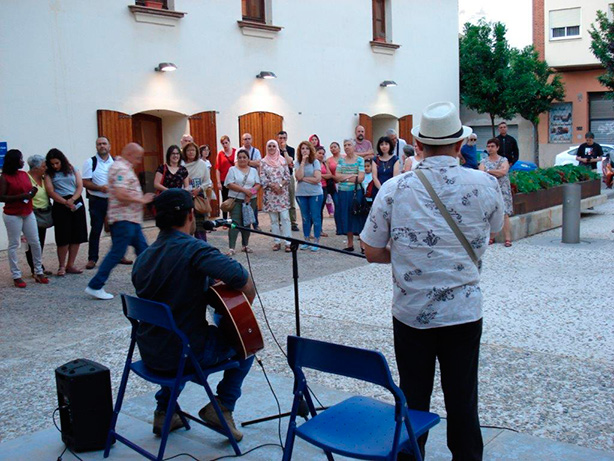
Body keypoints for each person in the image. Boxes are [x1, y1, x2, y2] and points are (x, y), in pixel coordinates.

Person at [361, 101, 504, 461]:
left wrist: (407, 254)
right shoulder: (486, 184)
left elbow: (371, 250)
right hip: (463, 312)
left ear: (419, 146)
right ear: (460, 144)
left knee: (413, 396)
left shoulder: (394, 188)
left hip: (412, 312)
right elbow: (496, 231)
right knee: (463, 397)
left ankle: (411, 455)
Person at [132, 188, 255, 441]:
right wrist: (238, 317)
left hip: (151, 352)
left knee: (176, 334)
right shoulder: (195, 250)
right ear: (191, 215)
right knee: (248, 342)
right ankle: (223, 405)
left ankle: (165, 411)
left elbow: (173, 287)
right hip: (185, 355)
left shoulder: (143, 258)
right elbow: (242, 280)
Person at [85, 143, 155, 300]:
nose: (139, 161)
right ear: (129, 154)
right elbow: (120, 193)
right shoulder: (120, 169)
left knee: (143, 251)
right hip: (124, 219)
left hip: (131, 220)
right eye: (137, 157)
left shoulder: (124, 168)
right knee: (117, 253)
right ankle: (95, 285)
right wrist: (142, 199)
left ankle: (151, 282)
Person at [0, 149, 49, 288]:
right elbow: (1, 197)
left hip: (28, 212)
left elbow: (27, 188)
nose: (23, 161)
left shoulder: (23, 174)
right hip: (12, 214)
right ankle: (16, 275)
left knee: (35, 242)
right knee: (14, 244)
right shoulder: (4, 177)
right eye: (20, 159)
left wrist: (31, 192)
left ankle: (38, 271)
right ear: (14, 161)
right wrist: (20, 197)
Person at [82, 137, 128, 271]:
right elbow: (85, 182)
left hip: (114, 200)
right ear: (96, 147)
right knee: (96, 229)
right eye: (99, 144)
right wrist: (100, 188)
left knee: (117, 228)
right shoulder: (90, 162)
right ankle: (92, 258)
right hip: (97, 200)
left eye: (104, 143)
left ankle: (119, 255)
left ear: (109, 146)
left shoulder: (116, 162)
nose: (102, 146)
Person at [45, 148, 88, 276]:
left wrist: (73, 199)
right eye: (52, 164)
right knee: (63, 236)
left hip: (75, 200)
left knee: (76, 235)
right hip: (60, 203)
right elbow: (50, 191)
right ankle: (61, 266)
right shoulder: (49, 174)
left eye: (57, 163)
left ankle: (71, 264)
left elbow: (79, 185)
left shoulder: (72, 169)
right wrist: (65, 202)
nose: (55, 166)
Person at [224, 149, 260, 255]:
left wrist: (250, 194)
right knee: (234, 223)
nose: (242, 159)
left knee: (247, 222)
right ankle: (231, 247)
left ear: (248, 159)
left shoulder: (253, 171)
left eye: (244, 157)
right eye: (240, 157)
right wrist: (245, 191)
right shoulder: (232, 170)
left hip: (250, 200)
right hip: (236, 200)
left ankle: (245, 245)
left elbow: (258, 184)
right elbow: (229, 184)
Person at [480, 138, 513, 247]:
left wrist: (489, 171)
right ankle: (491, 237)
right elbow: (481, 173)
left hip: (503, 189)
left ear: (497, 148)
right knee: (490, 212)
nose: (490, 148)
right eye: (488, 146)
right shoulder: (484, 161)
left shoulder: (503, 160)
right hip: (489, 189)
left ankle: (507, 238)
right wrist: (496, 171)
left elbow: (503, 172)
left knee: (505, 213)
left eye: (492, 146)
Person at [260, 140, 292, 252]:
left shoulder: (282, 161)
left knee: (285, 218)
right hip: (270, 194)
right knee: (273, 220)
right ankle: (277, 242)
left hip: (282, 194)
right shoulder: (263, 162)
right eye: (269, 146)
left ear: (277, 147)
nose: (271, 148)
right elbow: (262, 177)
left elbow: (287, 176)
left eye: (274, 146)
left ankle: (288, 242)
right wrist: (273, 186)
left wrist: (280, 185)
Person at [334, 139, 365, 252]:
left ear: (354, 146)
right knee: (346, 216)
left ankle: (362, 245)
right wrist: (351, 176)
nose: (346, 147)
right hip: (343, 192)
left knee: (358, 216)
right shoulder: (341, 160)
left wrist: (344, 177)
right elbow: (337, 177)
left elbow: (360, 178)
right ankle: (350, 244)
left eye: (349, 145)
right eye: (345, 145)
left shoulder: (360, 160)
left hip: (356, 192)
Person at [25, 155, 53, 276]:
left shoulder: (44, 178)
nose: (45, 168)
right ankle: (35, 268)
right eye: (43, 166)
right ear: (35, 168)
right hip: (32, 213)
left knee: (40, 241)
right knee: (33, 242)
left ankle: (38, 266)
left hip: (44, 213)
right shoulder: (26, 178)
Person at [295, 141, 323, 251]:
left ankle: (316, 241)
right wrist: (302, 162)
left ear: (310, 150)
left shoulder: (315, 162)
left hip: (315, 193)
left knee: (315, 217)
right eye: (302, 148)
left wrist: (303, 179)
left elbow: (317, 179)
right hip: (301, 193)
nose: (305, 150)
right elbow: (298, 176)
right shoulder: (298, 162)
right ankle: (306, 240)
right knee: (305, 217)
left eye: (307, 148)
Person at [184, 142, 214, 242]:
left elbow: (207, 181)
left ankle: (201, 246)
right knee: (186, 224)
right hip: (185, 197)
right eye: (188, 150)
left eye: (193, 150)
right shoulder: (182, 165)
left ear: (196, 151)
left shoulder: (202, 164)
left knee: (200, 225)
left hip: (199, 197)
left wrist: (199, 189)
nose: (191, 152)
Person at [277, 131, 299, 231]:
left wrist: (284, 150)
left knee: (290, 199)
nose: (282, 140)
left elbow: (289, 161)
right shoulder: (274, 149)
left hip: (288, 176)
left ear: (286, 138)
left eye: (284, 138)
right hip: (277, 177)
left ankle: (293, 222)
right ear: (277, 139)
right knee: (277, 200)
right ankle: (278, 222)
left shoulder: (290, 149)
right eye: (280, 138)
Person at [241, 133, 262, 230]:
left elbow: (259, 163)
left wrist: (246, 162)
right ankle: (244, 224)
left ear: (252, 140)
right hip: (242, 181)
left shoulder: (256, 151)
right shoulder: (239, 151)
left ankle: (255, 224)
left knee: (253, 202)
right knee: (242, 201)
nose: (247, 141)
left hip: (254, 181)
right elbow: (237, 163)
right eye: (245, 139)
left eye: (249, 138)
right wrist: (252, 162)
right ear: (242, 141)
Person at [216, 135, 236, 219]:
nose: (225, 145)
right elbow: (217, 169)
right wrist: (218, 182)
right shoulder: (220, 154)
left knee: (234, 199)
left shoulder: (235, 152)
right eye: (223, 143)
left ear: (229, 142)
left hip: (234, 180)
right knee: (225, 199)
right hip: (224, 180)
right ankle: (224, 219)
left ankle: (234, 218)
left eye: (226, 143)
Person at [316, 146, 333, 237]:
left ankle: (319, 229)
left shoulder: (324, 163)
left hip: (324, 187)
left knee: (320, 209)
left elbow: (329, 175)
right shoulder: (312, 163)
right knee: (314, 210)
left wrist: (320, 175)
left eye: (323, 154)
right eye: (319, 153)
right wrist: (321, 176)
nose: (321, 155)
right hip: (314, 188)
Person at [327, 141, 342, 234]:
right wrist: (334, 177)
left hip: (345, 184)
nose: (333, 149)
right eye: (331, 147)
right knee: (337, 204)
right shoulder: (328, 160)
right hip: (334, 185)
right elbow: (328, 173)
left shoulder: (345, 158)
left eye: (335, 147)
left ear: (339, 148)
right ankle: (339, 228)